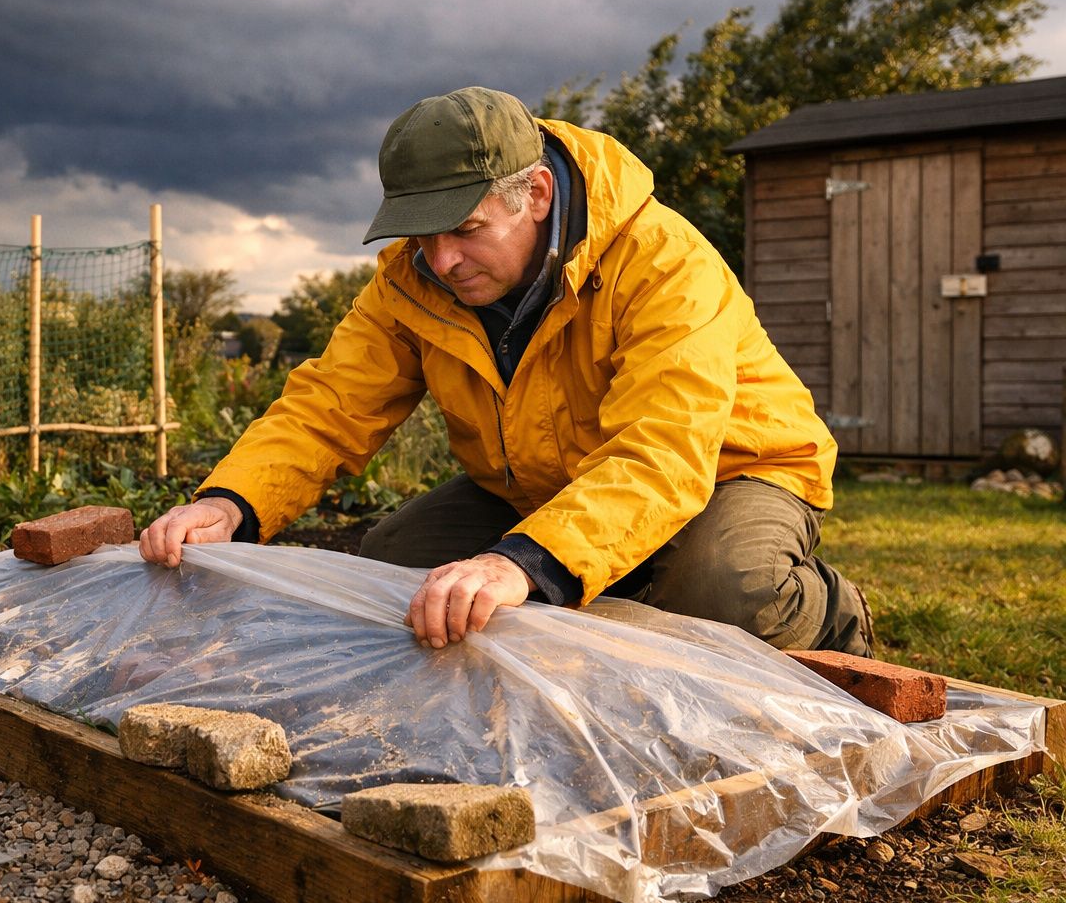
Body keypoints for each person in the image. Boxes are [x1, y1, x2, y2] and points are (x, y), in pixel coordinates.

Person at [139, 86, 872, 658]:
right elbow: (330, 404)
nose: (443, 261)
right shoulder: (410, 282)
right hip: (544, 482)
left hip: (730, 469)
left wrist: (521, 562)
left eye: (465, 230)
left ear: (538, 196)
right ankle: (603, 578)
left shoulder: (663, 262)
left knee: (720, 587)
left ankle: (833, 619)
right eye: (423, 236)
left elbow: (664, 451)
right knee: (396, 568)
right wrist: (231, 503)